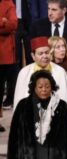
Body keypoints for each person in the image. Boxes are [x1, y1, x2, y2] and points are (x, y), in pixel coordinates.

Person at [13, 36, 67, 112]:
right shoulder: (24, 72)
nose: (45, 56)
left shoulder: (60, 71)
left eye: (47, 53)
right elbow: (19, 100)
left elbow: (65, 98)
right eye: (40, 53)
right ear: (33, 56)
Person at [0, 0, 17, 131]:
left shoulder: (8, 3)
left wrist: (7, 22)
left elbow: (13, 24)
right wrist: (2, 21)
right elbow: (6, 24)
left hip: (3, 55)